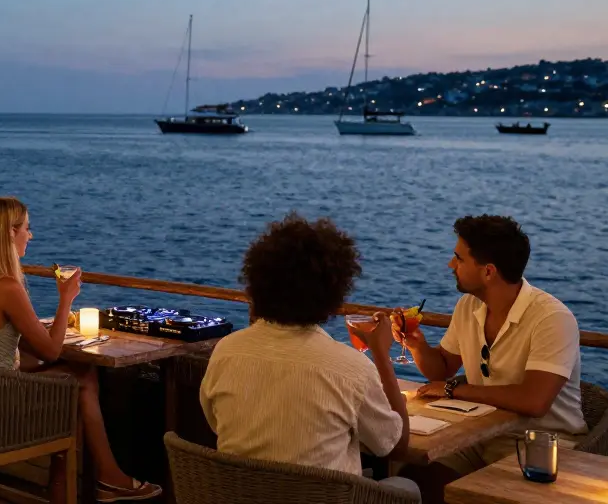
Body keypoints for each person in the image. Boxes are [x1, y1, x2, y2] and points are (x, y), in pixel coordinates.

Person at [0, 197, 160, 504]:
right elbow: (52, 351)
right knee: (83, 379)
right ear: (9, 233)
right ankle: (106, 479)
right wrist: (66, 299)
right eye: (27, 228)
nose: (30, 235)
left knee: (58, 379)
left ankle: (77, 485)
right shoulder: (6, 287)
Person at [198, 214, 418, 500]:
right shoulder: (350, 369)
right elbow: (395, 446)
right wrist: (381, 353)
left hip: (244, 496)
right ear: (334, 292)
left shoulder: (227, 351)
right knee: (407, 489)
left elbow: (216, 422)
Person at [394, 215, 585, 501]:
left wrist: (453, 390)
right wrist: (418, 346)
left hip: (540, 444)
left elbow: (534, 402)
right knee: (413, 481)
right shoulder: (468, 305)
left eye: (458, 258)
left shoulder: (552, 319)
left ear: (488, 272)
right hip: (480, 437)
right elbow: (442, 368)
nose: (450, 265)